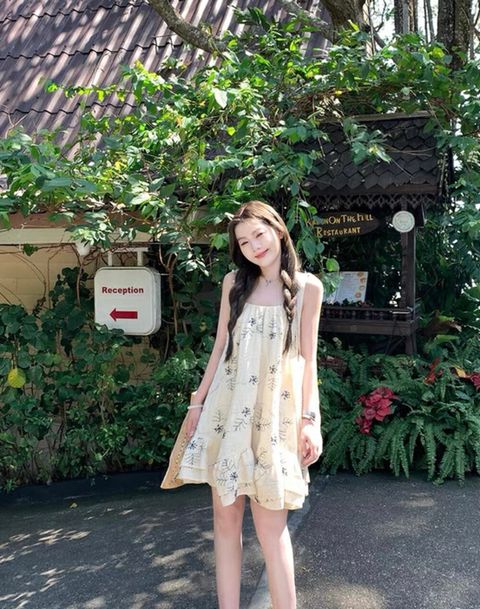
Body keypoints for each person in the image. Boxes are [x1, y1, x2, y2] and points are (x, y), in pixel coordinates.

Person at [162, 200, 323, 609]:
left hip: (276, 419)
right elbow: (220, 347)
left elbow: (308, 360)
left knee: (272, 529)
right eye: (244, 242)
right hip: (228, 412)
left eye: (258, 235)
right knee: (225, 521)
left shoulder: (308, 288)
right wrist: (197, 404)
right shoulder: (233, 282)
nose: (254, 246)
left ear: (278, 230)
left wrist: (311, 420)